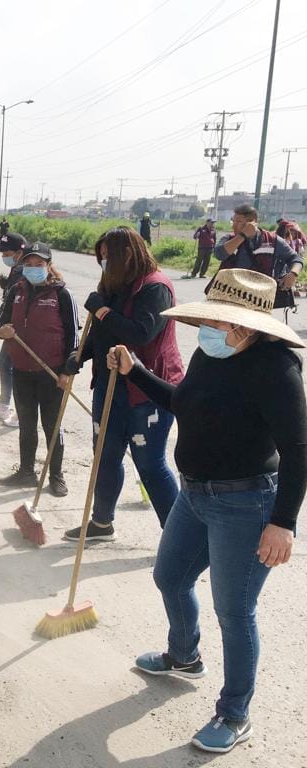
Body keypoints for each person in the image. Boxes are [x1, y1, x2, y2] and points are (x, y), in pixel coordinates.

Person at [108, 268, 306, 754]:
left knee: (235, 612)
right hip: (194, 494)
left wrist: (283, 522)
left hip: (246, 502)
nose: (210, 330)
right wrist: (136, 371)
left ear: (250, 326)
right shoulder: (210, 352)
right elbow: (182, 402)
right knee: (169, 577)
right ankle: (183, 655)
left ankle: (234, 714)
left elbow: (299, 449)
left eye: (222, 323)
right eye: (208, 321)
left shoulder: (276, 368)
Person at [63, 226, 183, 542]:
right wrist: (79, 356)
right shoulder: (113, 286)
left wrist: (101, 310)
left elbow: (139, 333)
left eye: (108, 257)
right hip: (109, 387)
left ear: (127, 255)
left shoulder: (155, 288)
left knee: (150, 464)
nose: (103, 263)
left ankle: (176, 535)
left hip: (147, 391)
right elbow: (103, 334)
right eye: (100, 258)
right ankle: (102, 523)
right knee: (105, 455)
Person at [0, 243, 77, 495]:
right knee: (27, 424)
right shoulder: (16, 291)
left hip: (51, 373)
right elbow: (1, 326)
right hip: (21, 370)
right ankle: (26, 472)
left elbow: (74, 340)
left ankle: (56, 475)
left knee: (52, 426)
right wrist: (3, 331)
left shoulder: (62, 295)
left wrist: (67, 372)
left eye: (38, 265)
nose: (33, 269)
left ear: (48, 265)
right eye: (29, 265)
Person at [213, 204, 302, 311]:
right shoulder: (229, 238)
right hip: (231, 296)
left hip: (260, 299)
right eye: (233, 221)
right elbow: (219, 254)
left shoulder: (273, 240)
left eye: (239, 222)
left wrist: (293, 274)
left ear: (252, 222)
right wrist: (242, 235)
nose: (234, 226)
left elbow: (295, 259)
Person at [0, 232, 27, 428]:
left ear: (19, 252)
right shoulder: (17, 268)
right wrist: (0, 278)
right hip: (12, 326)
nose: (3, 256)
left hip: (21, 327)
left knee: (20, 368)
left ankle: (22, 411)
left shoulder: (26, 269)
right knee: (4, 362)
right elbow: (9, 289)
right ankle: (4, 404)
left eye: (6, 253)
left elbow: (9, 303)